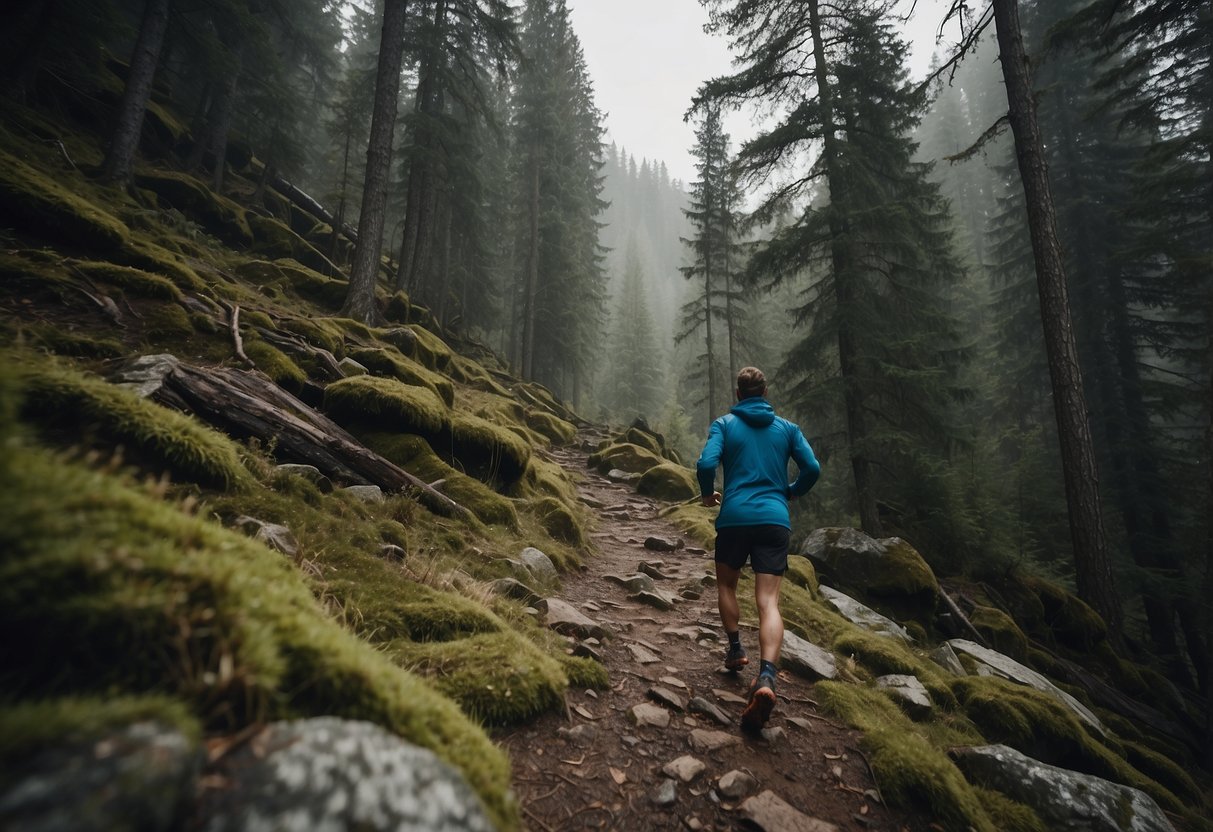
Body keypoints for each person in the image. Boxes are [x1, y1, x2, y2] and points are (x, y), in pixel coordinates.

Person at [696, 366, 820, 730]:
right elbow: (812, 468)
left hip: (734, 518)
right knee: (768, 602)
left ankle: (735, 649)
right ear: (765, 392)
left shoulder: (724, 424)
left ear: (738, 394)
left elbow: (706, 462)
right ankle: (766, 677)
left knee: (726, 586)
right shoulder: (787, 428)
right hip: (773, 520)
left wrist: (707, 493)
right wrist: (791, 491)